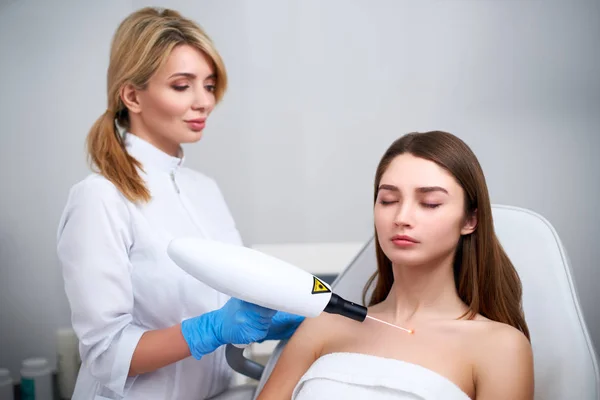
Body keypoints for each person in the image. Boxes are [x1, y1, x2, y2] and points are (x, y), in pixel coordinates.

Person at [56, 7, 303, 400]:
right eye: (181, 85)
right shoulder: (100, 198)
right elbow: (105, 352)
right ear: (132, 95)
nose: (204, 102)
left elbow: (229, 298)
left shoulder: (205, 190)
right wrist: (209, 329)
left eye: (208, 85)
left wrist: (268, 319)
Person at [256, 131, 535, 400]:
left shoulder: (500, 347)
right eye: (388, 200)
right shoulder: (323, 326)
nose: (401, 217)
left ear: (469, 220)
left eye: (430, 203)